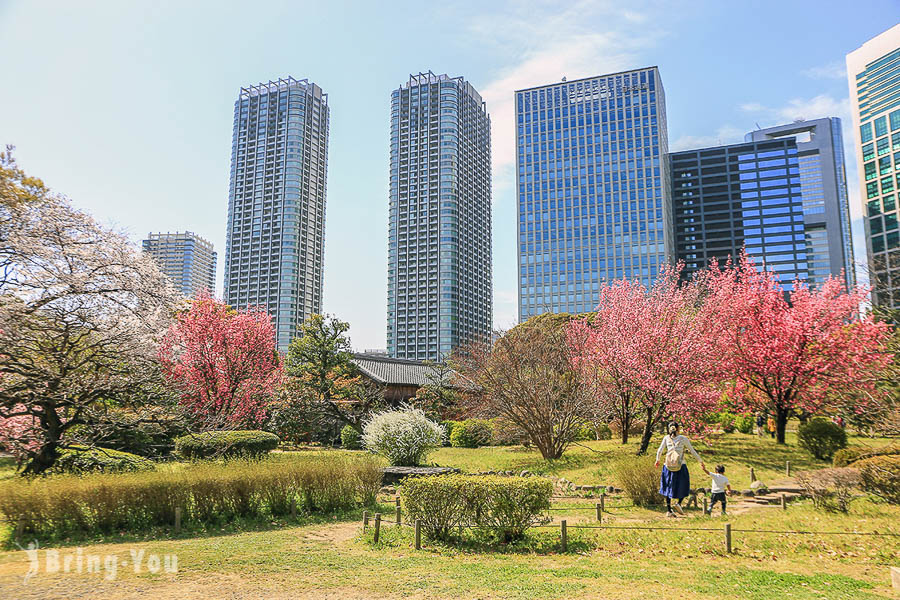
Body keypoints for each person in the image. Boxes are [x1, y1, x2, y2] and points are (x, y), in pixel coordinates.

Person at [655, 421, 706, 517]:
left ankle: (669, 510)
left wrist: (657, 460)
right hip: (680, 466)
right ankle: (678, 503)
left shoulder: (666, 438)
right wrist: (701, 462)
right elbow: (692, 451)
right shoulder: (683, 439)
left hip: (668, 466)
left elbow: (660, 450)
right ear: (678, 428)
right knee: (684, 485)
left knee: (668, 487)